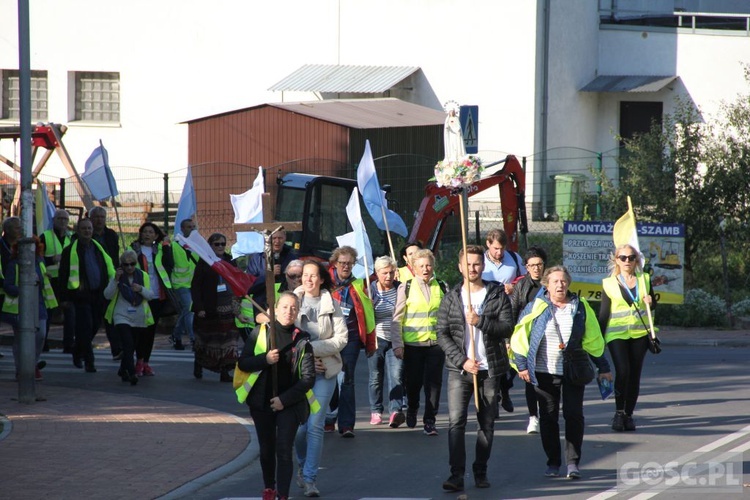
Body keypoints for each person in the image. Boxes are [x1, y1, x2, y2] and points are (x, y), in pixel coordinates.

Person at [510, 266, 612, 479]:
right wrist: (521, 365)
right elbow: (520, 336)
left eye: (563, 281)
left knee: (573, 415)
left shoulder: (581, 307)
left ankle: (573, 463)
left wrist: (603, 367)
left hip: (573, 370)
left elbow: (593, 339)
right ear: (546, 285)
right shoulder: (535, 307)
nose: (560, 285)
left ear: (569, 283)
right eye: (555, 281)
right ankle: (553, 462)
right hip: (543, 372)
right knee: (548, 417)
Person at [437, 245, 513, 492]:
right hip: (461, 371)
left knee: (486, 424)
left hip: (489, 370)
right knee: (456, 423)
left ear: (483, 266)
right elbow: (442, 334)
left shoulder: (496, 294)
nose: (472, 268)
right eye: (468, 264)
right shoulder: (451, 298)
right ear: (460, 267)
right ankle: (456, 475)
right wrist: (462, 361)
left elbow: (507, 328)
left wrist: (480, 321)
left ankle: (480, 470)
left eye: (477, 263)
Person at [238, 292, 316, 500]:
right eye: (284, 307)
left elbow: (308, 378)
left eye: (293, 308)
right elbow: (243, 363)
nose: (288, 312)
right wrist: (265, 359)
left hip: (289, 403)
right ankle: (269, 487)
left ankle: (283, 494)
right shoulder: (259, 333)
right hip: (261, 401)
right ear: (275, 309)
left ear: (297, 311)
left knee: (283, 448)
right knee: (266, 448)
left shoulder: (302, 339)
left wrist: (284, 400)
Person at [293, 260, 347, 498]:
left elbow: (341, 339)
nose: (308, 279)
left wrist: (312, 350)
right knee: (299, 428)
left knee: (315, 425)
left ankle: (309, 478)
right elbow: (285, 337)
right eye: (305, 275)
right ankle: (302, 464)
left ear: (322, 279)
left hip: (325, 371)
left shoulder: (332, 304)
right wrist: (303, 356)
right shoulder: (291, 302)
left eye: (313, 275)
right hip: (296, 374)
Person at [598, 244, 656, 432]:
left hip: (640, 333)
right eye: (623, 257)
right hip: (616, 334)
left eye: (631, 258)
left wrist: (651, 301)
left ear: (636, 260)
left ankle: (629, 415)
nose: (627, 261)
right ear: (616, 260)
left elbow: (652, 306)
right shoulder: (609, 283)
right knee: (623, 371)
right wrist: (597, 339)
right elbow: (604, 313)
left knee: (634, 374)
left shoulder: (644, 279)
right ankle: (619, 412)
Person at [391, 248, 448, 436]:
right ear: (414, 268)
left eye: (429, 265)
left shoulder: (441, 286)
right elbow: (397, 318)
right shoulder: (405, 287)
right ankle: (413, 407)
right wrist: (397, 344)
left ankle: (430, 420)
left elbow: (448, 316)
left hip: (435, 344)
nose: (426, 269)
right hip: (413, 345)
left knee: (434, 384)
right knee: (413, 383)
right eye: (421, 266)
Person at [324, 246, 375, 437]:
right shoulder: (324, 283)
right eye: (342, 263)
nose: (345, 266)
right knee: (330, 377)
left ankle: (346, 425)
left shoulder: (360, 285)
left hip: (351, 340)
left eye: (349, 263)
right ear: (335, 263)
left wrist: (370, 342)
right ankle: (329, 418)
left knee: (346, 380)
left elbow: (368, 315)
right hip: (328, 339)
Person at [58, 218, 116, 373]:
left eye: (89, 228)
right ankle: (89, 361)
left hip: (100, 294)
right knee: (85, 327)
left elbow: (107, 267)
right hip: (81, 295)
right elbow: (63, 275)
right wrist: (63, 298)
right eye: (83, 228)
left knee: (95, 326)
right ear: (78, 230)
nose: (87, 231)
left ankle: (78, 350)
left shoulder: (99, 247)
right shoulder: (70, 250)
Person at [482, 228, 526, 414]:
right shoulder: (480, 261)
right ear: (488, 245)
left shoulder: (514, 258)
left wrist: (513, 287)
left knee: (514, 355)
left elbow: (525, 278)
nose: (499, 253)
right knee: (494, 355)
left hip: (510, 313)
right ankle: (496, 396)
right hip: (489, 314)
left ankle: (505, 387)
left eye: (502, 249)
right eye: (496, 248)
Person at [2, 236, 57, 380]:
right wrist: (23, 289)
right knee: (21, 339)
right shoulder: (14, 264)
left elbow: (43, 283)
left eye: (32, 247)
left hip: (39, 304)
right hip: (19, 307)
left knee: (40, 335)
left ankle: (32, 363)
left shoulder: (39, 263)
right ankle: (22, 369)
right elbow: (7, 286)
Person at [191, 232, 241, 382]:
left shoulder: (229, 262)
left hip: (228, 306)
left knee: (228, 341)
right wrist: (199, 307)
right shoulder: (204, 262)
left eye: (223, 244)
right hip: (210, 307)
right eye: (216, 244)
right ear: (210, 246)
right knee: (207, 341)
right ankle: (199, 363)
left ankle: (225, 371)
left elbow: (236, 280)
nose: (220, 247)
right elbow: (196, 286)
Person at [509, 246, 548, 434]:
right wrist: (510, 339)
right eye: (532, 265)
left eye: (539, 264)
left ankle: (548, 412)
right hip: (527, 340)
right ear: (526, 267)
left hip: (548, 339)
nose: (536, 268)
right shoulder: (521, 286)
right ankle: (533, 417)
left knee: (548, 379)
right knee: (529, 379)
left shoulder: (551, 284)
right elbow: (513, 311)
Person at [103, 250, 155, 385]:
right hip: (122, 315)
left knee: (132, 346)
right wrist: (115, 280)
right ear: (122, 265)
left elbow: (150, 295)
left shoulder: (143, 275)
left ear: (136, 263)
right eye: (126, 265)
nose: (129, 267)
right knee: (128, 344)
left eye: (132, 264)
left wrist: (141, 289)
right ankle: (132, 373)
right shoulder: (117, 276)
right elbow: (107, 295)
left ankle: (123, 369)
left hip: (139, 317)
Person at [130, 221, 174, 376]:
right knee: (140, 330)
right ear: (141, 234)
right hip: (140, 295)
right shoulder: (134, 249)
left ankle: (145, 362)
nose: (148, 234)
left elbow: (170, 264)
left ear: (156, 236)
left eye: (151, 232)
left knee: (150, 332)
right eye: (145, 231)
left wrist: (167, 245)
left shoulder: (159, 250)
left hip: (157, 296)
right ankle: (138, 360)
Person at [367, 256, 405, 428]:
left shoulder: (400, 289)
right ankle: (376, 410)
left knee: (396, 376)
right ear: (377, 273)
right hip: (376, 339)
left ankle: (395, 411)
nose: (388, 276)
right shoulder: (370, 290)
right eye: (384, 273)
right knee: (375, 376)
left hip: (396, 339)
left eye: (391, 272)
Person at [39, 209, 74, 353]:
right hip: (50, 280)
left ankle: (68, 344)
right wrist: (51, 259)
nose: (63, 222)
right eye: (60, 219)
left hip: (67, 281)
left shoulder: (71, 237)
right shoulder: (45, 237)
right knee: (48, 313)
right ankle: (43, 343)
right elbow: (38, 258)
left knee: (70, 313)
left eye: (65, 219)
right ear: (53, 220)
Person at [89, 206, 122, 360]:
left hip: (109, 280)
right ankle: (82, 347)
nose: (99, 220)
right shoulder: (86, 235)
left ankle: (116, 349)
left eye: (102, 217)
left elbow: (114, 256)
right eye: (96, 217)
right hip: (92, 282)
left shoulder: (111, 235)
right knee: (94, 319)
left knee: (110, 316)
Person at [246, 230, 299, 316]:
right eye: (274, 238)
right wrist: (268, 275)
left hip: (286, 309)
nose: (277, 241)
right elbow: (249, 286)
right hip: (262, 307)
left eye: (280, 238)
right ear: (266, 239)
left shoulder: (292, 257)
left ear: (285, 238)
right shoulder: (257, 259)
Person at [170, 218, 198, 350]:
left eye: (193, 227)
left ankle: (176, 336)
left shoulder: (197, 244)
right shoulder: (174, 245)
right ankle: (194, 340)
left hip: (194, 284)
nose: (191, 229)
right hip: (180, 283)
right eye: (188, 227)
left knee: (186, 311)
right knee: (190, 310)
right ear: (182, 229)